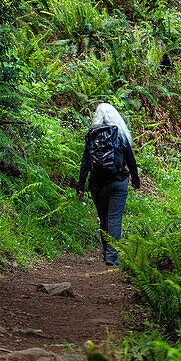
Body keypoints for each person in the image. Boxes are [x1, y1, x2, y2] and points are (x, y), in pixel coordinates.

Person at [76, 103, 140, 266]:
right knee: (114, 218)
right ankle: (112, 256)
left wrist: (80, 185)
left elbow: (85, 163)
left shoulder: (91, 135)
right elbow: (131, 160)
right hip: (117, 181)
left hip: (97, 183)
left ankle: (106, 251)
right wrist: (135, 180)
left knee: (103, 218)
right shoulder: (120, 134)